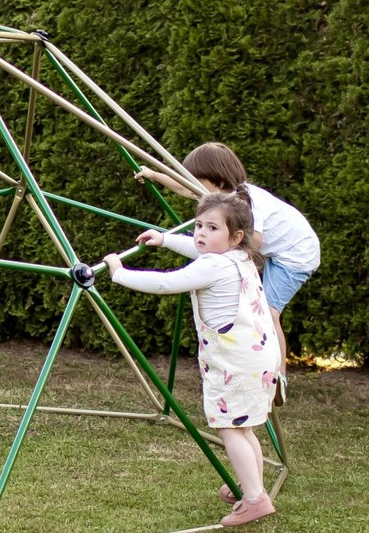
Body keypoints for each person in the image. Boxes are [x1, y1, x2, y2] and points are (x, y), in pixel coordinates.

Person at [102, 190, 279, 527]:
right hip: (259, 356)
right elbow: (199, 250)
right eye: (198, 225)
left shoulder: (213, 266)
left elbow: (169, 283)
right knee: (245, 427)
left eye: (212, 228)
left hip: (233, 363)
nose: (200, 234)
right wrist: (167, 240)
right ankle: (251, 485)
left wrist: (119, 272)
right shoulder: (240, 257)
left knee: (229, 428)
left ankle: (255, 499)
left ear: (236, 236)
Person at [136, 142, 319, 401]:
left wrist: (220, 253)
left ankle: (278, 377)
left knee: (268, 312)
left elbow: (254, 241)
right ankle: (256, 364)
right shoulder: (221, 197)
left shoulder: (247, 201)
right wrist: (155, 175)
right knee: (252, 305)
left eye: (197, 179)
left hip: (295, 255)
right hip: (274, 251)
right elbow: (186, 188)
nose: (193, 186)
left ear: (216, 179)